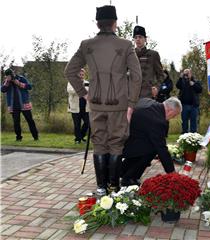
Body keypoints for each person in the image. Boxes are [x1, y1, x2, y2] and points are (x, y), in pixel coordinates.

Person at [64, 5, 142, 195]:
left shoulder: (86, 45)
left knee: (99, 143)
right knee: (116, 143)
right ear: (115, 23)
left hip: (96, 104)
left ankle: (101, 188)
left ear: (98, 23)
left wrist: (84, 93)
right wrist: (131, 104)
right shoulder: (125, 45)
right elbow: (137, 76)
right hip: (119, 105)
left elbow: (69, 71)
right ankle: (114, 188)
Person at [120, 97, 182, 186]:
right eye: (175, 115)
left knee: (147, 145)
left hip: (126, 137)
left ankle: (123, 171)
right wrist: (171, 172)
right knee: (152, 150)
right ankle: (128, 178)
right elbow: (161, 148)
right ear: (170, 110)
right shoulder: (158, 121)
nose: (173, 117)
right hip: (125, 143)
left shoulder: (148, 101)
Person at [1, 68, 39, 141]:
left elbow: (30, 87)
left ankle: (36, 137)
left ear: (13, 74)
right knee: (16, 122)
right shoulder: (6, 82)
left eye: (9, 75)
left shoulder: (21, 78)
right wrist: (6, 83)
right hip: (13, 105)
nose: (8, 77)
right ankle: (18, 138)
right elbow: (2, 90)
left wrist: (19, 83)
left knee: (30, 120)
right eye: (7, 76)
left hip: (24, 104)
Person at [133, 25, 164, 98]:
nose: (138, 39)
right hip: (131, 95)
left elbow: (161, 75)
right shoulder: (129, 54)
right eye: (135, 37)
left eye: (140, 37)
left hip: (147, 95)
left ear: (145, 39)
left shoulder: (153, 54)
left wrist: (157, 87)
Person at [67, 68, 90, 144]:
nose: (81, 76)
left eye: (82, 75)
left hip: (85, 107)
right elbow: (70, 91)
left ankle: (81, 136)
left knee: (88, 123)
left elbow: (89, 92)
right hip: (75, 107)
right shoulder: (71, 82)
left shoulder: (87, 82)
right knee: (77, 124)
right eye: (80, 74)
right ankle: (78, 139)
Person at [176, 68, 202, 133]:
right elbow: (177, 86)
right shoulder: (182, 81)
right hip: (184, 105)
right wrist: (180, 78)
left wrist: (193, 84)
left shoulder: (195, 81)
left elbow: (200, 90)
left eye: (188, 73)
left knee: (193, 122)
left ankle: (193, 137)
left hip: (194, 105)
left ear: (191, 73)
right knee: (184, 122)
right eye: (185, 73)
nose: (186, 74)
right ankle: (184, 137)